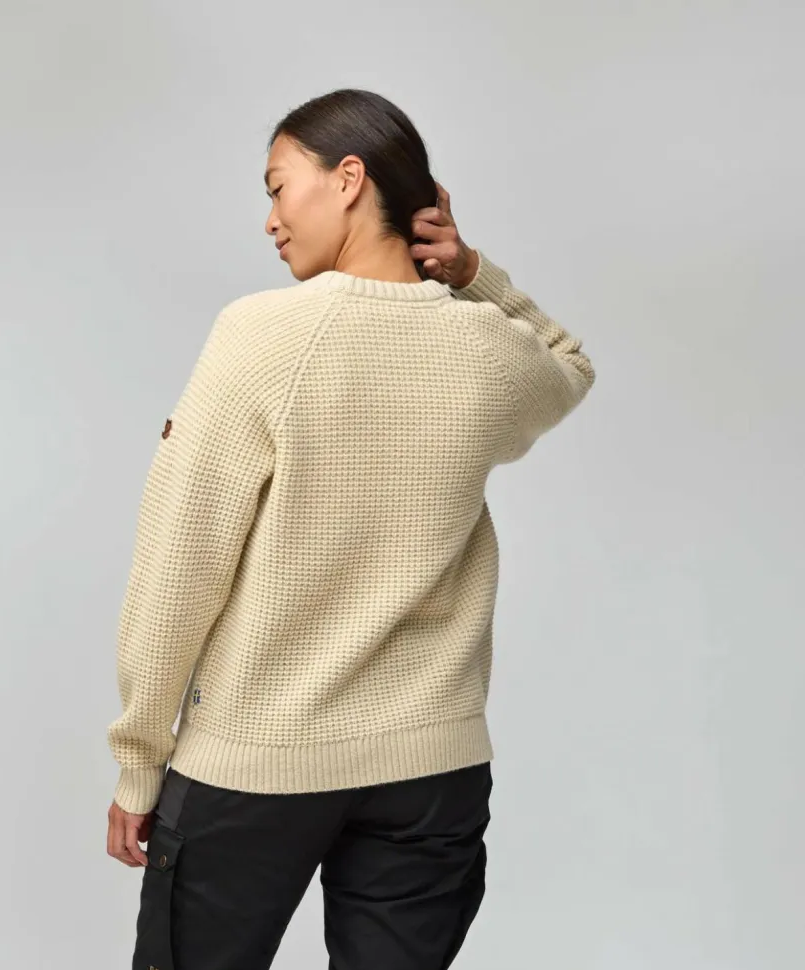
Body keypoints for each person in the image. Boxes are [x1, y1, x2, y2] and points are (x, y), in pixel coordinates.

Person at [105, 88, 595, 970]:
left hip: (257, 763)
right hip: (431, 769)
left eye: (278, 187)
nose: (270, 219)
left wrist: (140, 760)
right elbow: (568, 365)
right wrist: (470, 271)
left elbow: (181, 563)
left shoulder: (262, 336)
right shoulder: (484, 347)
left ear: (348, 179)